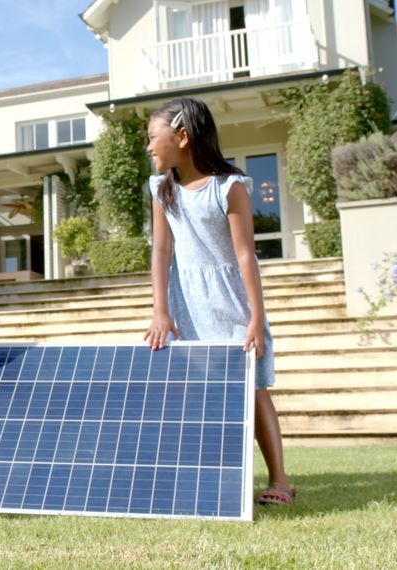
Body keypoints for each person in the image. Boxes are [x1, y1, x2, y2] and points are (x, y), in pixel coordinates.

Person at [142, 96, 295, 506]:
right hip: (187, 301)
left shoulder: (230, 188)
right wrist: (161, 310)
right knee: (199, 391)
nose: (149, 147)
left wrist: (255, 320)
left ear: (183, 137)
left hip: (231, 301)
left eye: (153, 137)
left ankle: (279, 478)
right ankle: (210, 475)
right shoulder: (162, 189)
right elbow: (161, 252)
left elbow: (246, 255)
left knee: (253, 387)